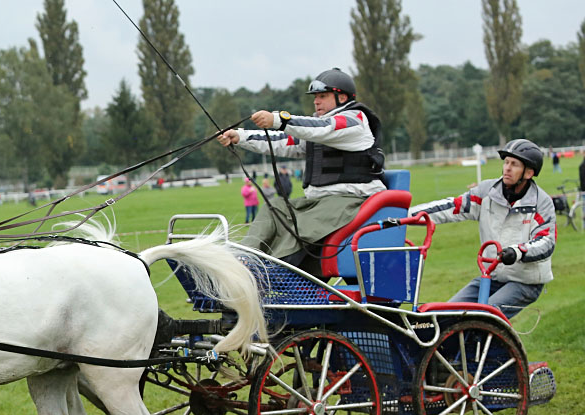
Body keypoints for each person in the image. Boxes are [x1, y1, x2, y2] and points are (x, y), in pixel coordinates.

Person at [218, 67, 385, 267]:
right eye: (315, 97)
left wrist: (278, 119)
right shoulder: (314, 127)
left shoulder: (354, 120)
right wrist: (241, 136)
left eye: (323, 96)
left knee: (301, 226)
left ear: (342, 98)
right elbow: (282, 140)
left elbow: (324, 128)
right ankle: (240, 261)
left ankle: (271, 270)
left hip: (352, 202)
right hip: (320, 203)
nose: (316, 101)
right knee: (275, 208)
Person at [410, 139, 555, 318]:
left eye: (514, 164)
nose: (507, 168)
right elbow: (452, 207)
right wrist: (410, 215)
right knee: (445, 314)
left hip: (525, 282)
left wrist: (517, 252)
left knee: (484, 316)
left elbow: (546, 242)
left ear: (529, 172)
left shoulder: (541, 202)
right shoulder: (488, 192)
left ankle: (484, 345)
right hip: (493, 277)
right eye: (506, 162)